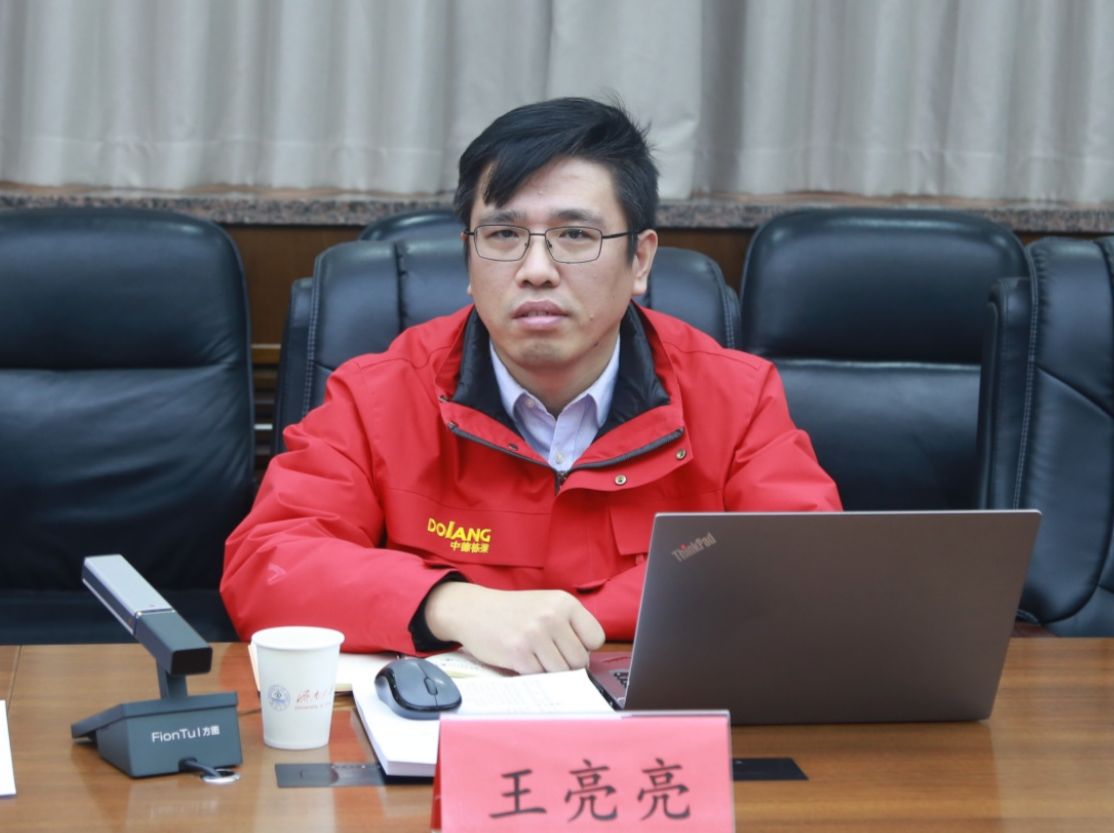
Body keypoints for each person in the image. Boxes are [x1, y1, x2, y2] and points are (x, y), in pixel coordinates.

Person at [221, 97, 841, 674]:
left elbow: (807, 569)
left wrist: (575, 620)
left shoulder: (733, 396)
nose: (536, 270)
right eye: (503, 236)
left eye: (575, 235)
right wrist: (449, 605)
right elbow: (267, 565)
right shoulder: (378, 395)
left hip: (657, 722)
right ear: (469, 259)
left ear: (641, 261)